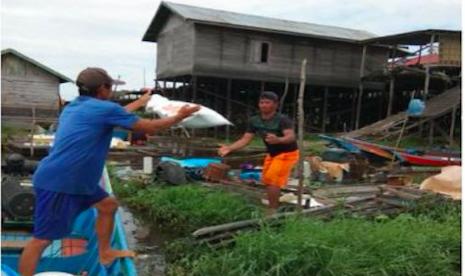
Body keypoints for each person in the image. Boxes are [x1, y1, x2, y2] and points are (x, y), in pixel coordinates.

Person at [19, 67, 200, 275]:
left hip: (76, 179)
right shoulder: (105, 109)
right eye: (111, 86)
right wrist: (180, 116)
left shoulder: (74, 107)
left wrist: (140, 103)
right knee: (41, 240)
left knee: (108, 205)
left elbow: (114, 114)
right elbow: (149, 127)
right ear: (103, 88)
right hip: (62, 182)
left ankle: (105, 252)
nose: (112, 90)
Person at [218, 91, 299, 214]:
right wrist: (230, 148)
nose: (264, 105)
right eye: (262, 102)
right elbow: (245, 139)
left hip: (287, 153)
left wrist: (278, 139)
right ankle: (274, 202)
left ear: (275, 105)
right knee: (266, 179)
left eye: (267, 102)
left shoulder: (282, 119)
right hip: (272, 153)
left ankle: (272, 210)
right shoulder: (254, 120)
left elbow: (291, 137)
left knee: (273, 180)